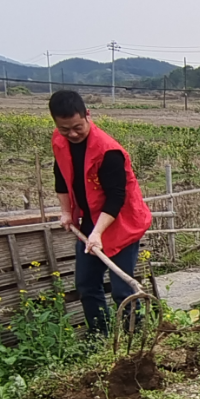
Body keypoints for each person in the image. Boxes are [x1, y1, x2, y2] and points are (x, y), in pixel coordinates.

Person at [50, 91, 152, 337]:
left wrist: (97, 233)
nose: (72, 134)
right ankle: (100, 337)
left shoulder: (108, 151)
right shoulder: (60, 141)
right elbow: (61, 177)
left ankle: (134, 337)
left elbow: (116, 198)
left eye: (77, 127)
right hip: (90, 220)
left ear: (88, 115)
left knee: (122, 289)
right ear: (55, 123)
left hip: (122, 222)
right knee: (86, 284)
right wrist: (66, 212)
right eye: (65, 129)